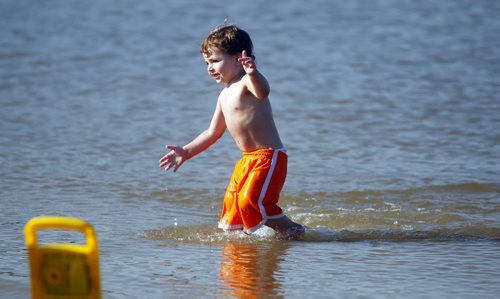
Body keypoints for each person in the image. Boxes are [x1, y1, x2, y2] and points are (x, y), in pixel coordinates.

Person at [159, 25, 304, 239]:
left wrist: (253, 72)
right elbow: (212, 132)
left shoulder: (247, 82)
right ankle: (247, 246)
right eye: (206, 63)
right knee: (233, 204)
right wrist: (186, 152)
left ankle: (295, 232)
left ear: (238, 58)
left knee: (251, 201)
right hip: (246, 160)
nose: (209, 67)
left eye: (215, 61)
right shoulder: (223, 96)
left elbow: (263, 93)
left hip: (268, 157)